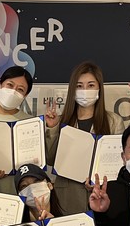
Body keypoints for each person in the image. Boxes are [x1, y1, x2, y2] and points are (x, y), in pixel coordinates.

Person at [44, 61, 124, 214]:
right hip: (67, 196)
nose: (85, 90)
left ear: (99, 88)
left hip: (102, 196)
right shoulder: (62, 120)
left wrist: (96, 181)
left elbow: (118, 163)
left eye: (91, 85)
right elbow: (50, 159)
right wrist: (53, 128)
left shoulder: (114, 121)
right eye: (79, 86)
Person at [0, 66, 35, 195]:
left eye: (20, 89)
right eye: (10, 85)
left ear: (25, 95)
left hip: (18, 191)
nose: (13, 92)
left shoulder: (31, 122)